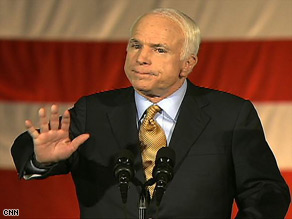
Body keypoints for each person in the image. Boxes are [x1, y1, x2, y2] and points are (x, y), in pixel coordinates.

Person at [11, 8, 290, 218]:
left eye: (159, 49)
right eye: (135, 45)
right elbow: (30, 148)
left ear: (188, 63)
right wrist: (40, 158)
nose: (141, 57)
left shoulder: (230, 114)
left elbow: (266, 192)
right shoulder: (93, 111)